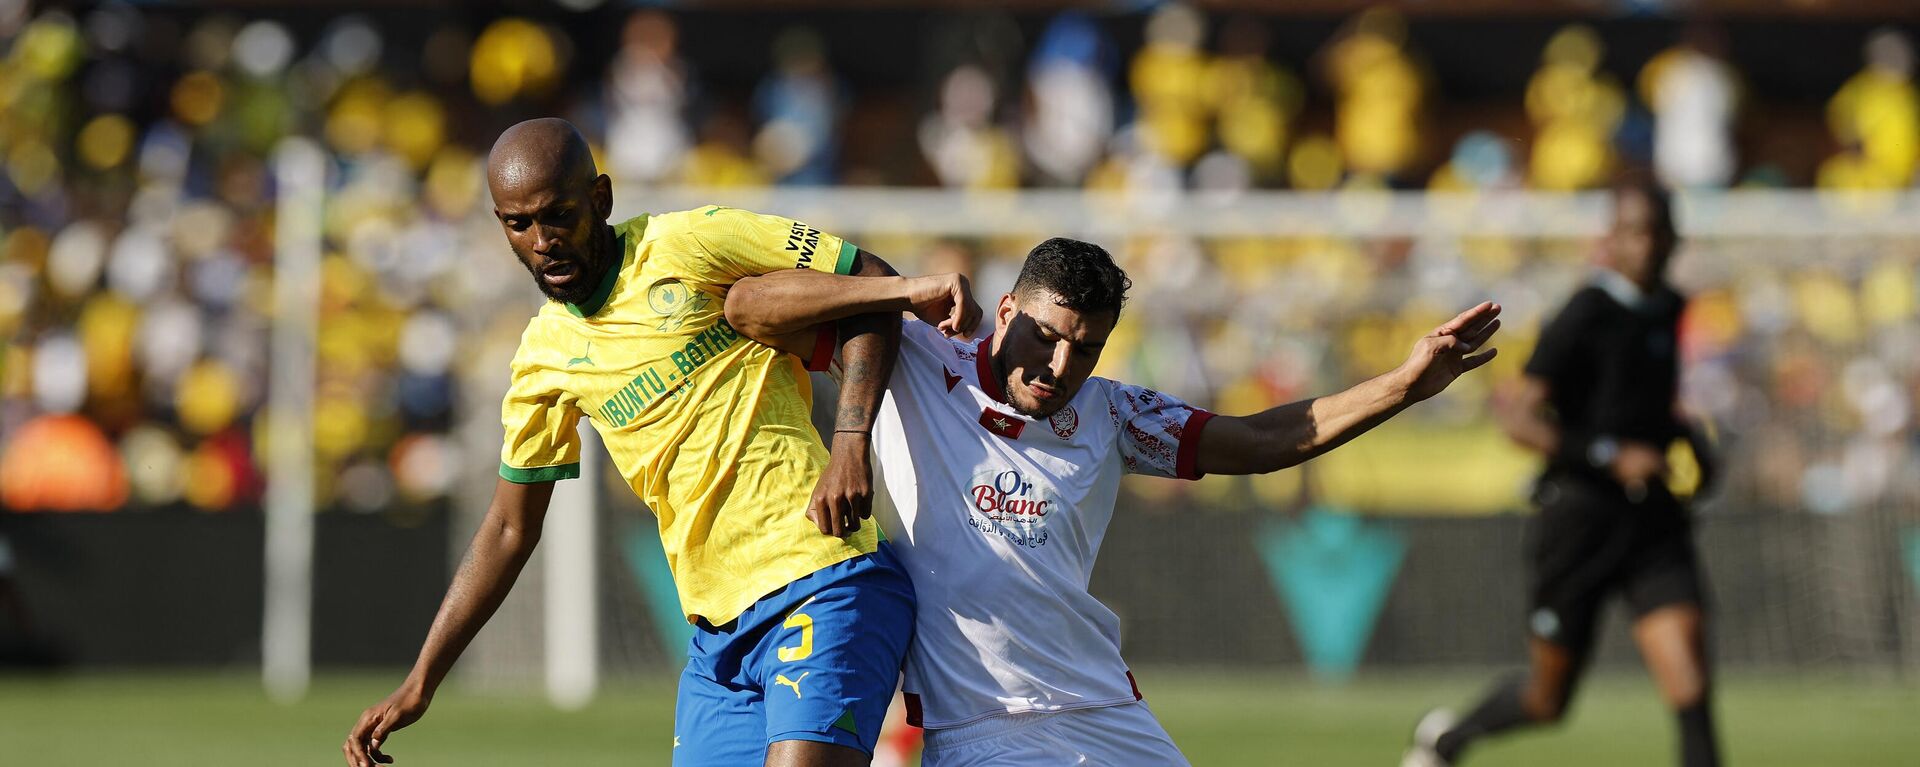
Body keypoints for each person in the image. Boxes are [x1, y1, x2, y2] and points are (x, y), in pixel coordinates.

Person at [342, 118, 981, 767]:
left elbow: (871, 283)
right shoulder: (543, 358)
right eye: (518, 223)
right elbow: (509, 528)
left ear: (600, 198)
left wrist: (850, 443)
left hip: (824, 575)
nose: (543, 241)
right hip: (716, 640)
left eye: (558, 214)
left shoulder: (690, 242)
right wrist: (422, 680)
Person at [724, 237, 1501, 764]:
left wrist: (1405, 384)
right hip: (984, 724)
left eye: (1086, 348)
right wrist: (902, 294)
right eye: (1047, 336)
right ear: (1005, 312)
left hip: (1104, 708)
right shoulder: (916, 359)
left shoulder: (1115, 415)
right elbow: (748, 304)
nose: (1061, 364)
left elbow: (1266, 441)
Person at [1402, 179, 1720, 767]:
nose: (1645, 245)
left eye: (1655, 232)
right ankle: (1448, 741)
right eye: (1632, 232)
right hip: (1578, 519)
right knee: (1548, 700)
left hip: (1651, 520)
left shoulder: (1670, 307)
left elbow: (1636, 403)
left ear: (1674, 239)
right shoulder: (1586, 312)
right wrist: (1610, 455)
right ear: (1610, 241)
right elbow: (1519, 420)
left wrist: (1683, 435)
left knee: (1691, 687)